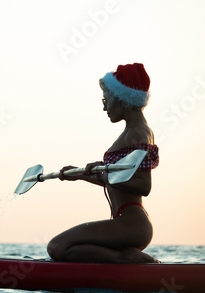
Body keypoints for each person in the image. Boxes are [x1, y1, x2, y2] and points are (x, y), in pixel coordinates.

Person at [47, 63, 160, 263]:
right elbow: (119, 180)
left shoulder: (137, 133)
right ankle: (127, 258)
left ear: (122, 99)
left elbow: (143, 185)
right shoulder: (134, 131)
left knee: (57, 247)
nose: (104, 106)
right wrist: (80, 174)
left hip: (132, 224)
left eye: (106, 100)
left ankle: (129, 260)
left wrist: (104, 174)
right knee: (65, 247)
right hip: (127, 222)